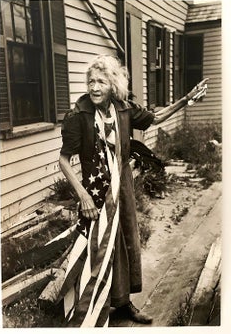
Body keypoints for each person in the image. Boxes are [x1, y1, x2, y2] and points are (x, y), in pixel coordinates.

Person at [58, 55, 208, 327]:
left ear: (112, 84)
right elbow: (64, 160)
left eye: (101, 81)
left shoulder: (123, 109)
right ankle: (93, 304)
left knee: (126, 238)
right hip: (95, 188)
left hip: (122, 180)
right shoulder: (78, 115)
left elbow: (156, 117)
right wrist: (82, 195)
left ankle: (123, 302)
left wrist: (185, 100)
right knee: (99, 245)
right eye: (90, 81)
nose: (94, 87)